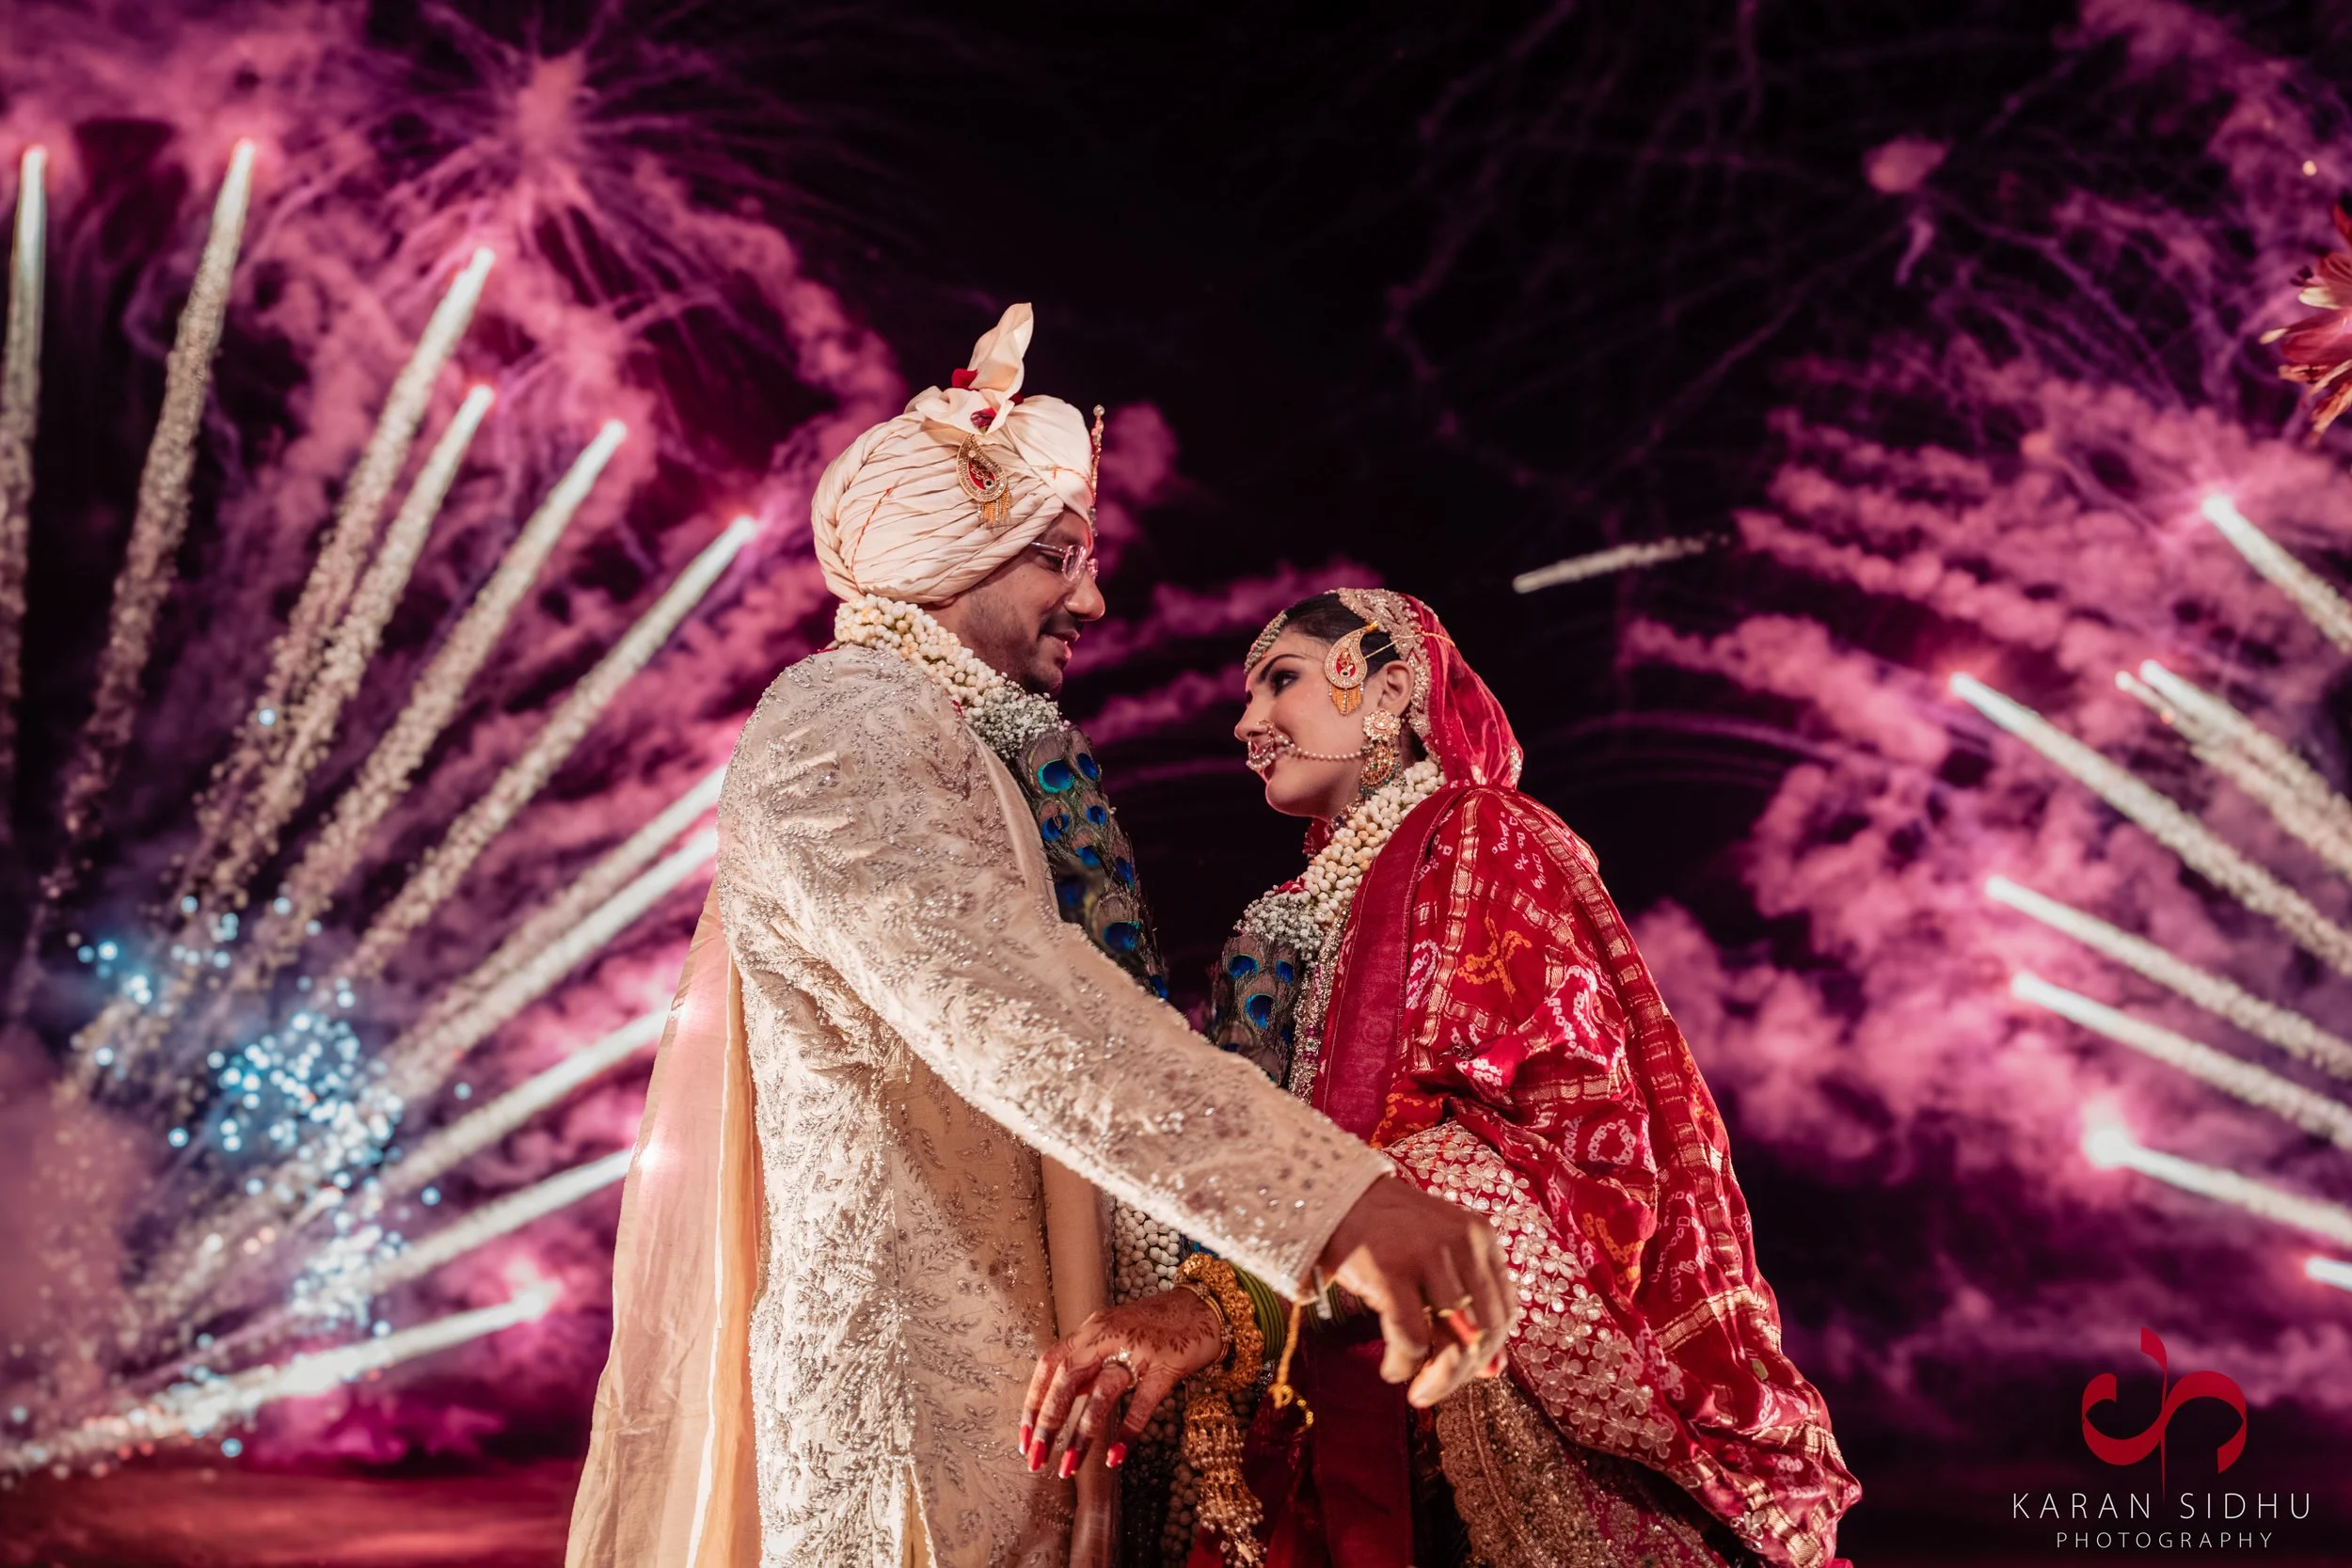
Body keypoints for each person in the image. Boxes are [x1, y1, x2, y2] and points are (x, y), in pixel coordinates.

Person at [564, 315, 1518, 1568]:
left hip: (1025, 1401)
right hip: (911, 1419)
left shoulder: (963, 744)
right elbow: (1014, 1008)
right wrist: (1333, 1203)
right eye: (1058, 556)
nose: (1095, 593)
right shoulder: (838, 722)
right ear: (947, 554)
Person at [1023, 590, 1861, 1568]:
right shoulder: (1295, 915)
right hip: (1329, 1393)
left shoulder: (1481, 836)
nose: (1246, 723)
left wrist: (1226, 1300)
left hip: (1476, 1412)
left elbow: (1560, 1144)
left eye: (1280, 679)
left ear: (1387, 688)